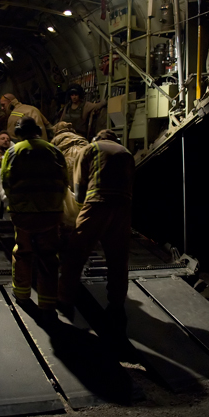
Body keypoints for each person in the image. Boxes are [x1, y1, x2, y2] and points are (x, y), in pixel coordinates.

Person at [58, 129, 135, 334]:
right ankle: (116, 306)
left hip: (96, 205)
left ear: (97, 138)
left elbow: (79, 182)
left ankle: (65, 299)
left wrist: (79, 206)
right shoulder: (127, 153)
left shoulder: (91, 148)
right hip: (122, 209)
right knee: (118, 261)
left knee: (76, 252)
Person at [1, 116, 68, 324]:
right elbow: (65, 179)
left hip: (24, 214)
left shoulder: (14, 151)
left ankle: (22, 295)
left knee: (23, 252)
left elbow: (6, 180)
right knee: (48, 258)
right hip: (50, 214)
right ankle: (48, 306)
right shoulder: (54, 150)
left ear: (19, 133)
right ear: (37, 131)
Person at [50, 121, 89, 187]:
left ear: (57, 130)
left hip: (67, 165)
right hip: (82, 163)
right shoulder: (81, 138)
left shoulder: (56, 139)